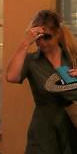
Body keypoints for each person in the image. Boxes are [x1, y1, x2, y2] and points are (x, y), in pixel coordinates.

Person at [6, 9, 77, 152]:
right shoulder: (33, 62)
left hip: (72, 127)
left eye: (47, 37)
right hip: (45, 131)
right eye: (38, 38)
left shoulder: (72, 56)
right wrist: (25, 43)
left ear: (57, 34)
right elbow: (12, 76)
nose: (42, 42)